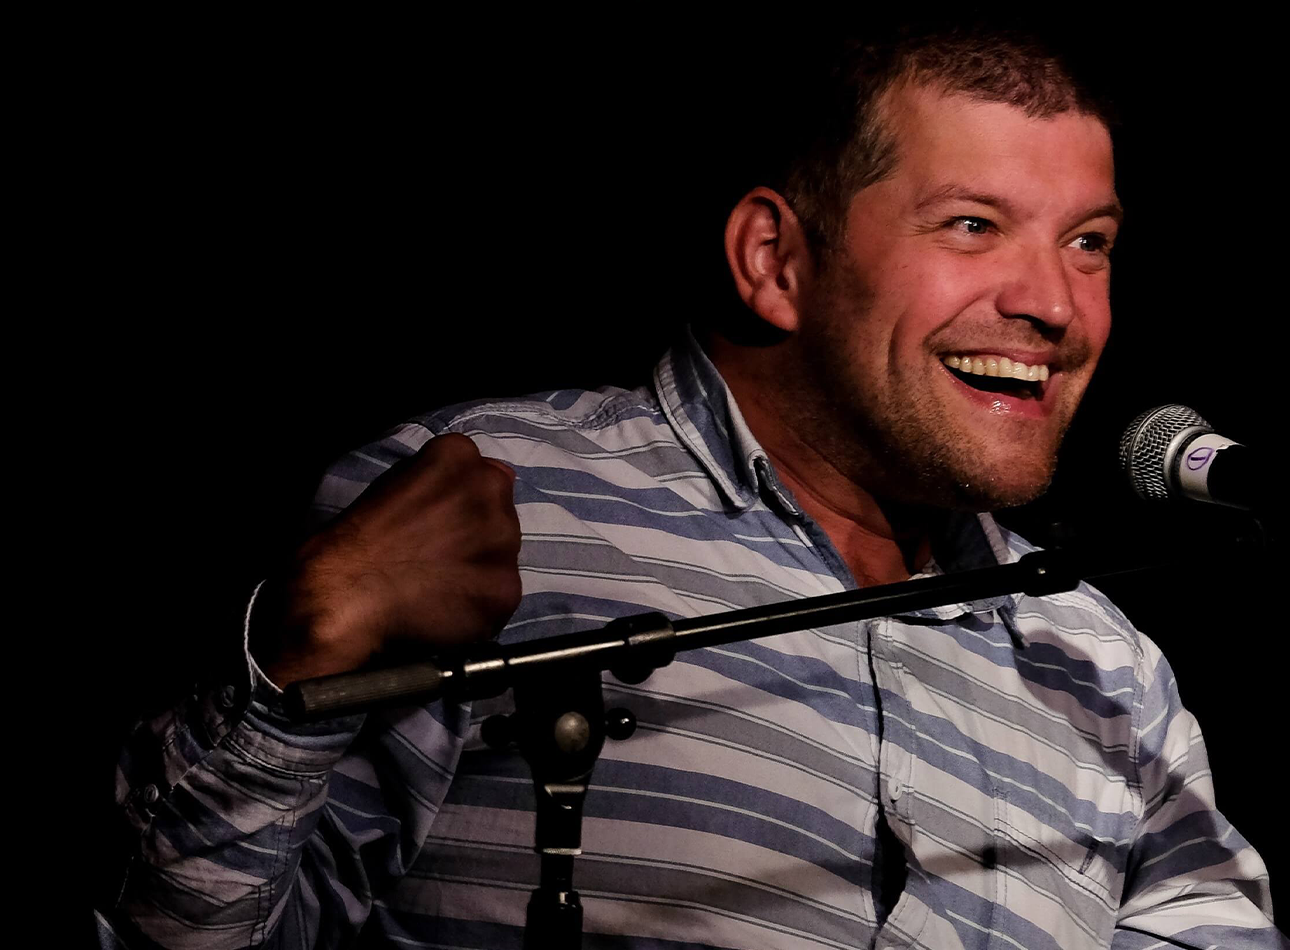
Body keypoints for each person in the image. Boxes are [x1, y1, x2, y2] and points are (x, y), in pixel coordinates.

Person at [98, 23, 1284, 950]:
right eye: (974, 225)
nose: (1055, 304)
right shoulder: (508, 507)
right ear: (776, 261)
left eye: (1090, 242)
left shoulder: (1104, 666)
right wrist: (290, 664)